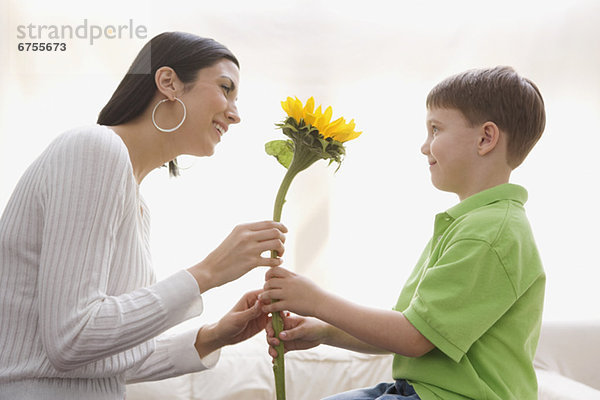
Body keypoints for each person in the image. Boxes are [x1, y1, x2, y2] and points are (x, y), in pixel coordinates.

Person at [0, 32, 286, 400]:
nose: (235, 113)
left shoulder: (136, 203)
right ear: (168, 82)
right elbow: (71, 341)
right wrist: (208, 272)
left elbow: (99, 359)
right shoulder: (94, 148)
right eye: (225, 88)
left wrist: (214, 336)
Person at [261, 66, 546, 400]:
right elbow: (413, 329)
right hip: (418, 391)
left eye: (435, 129)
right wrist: (325, 332)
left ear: (485, 138)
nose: (425, 147)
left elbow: (413, 339)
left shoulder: (490, 233)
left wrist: (317, 301)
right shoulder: (474, 224)